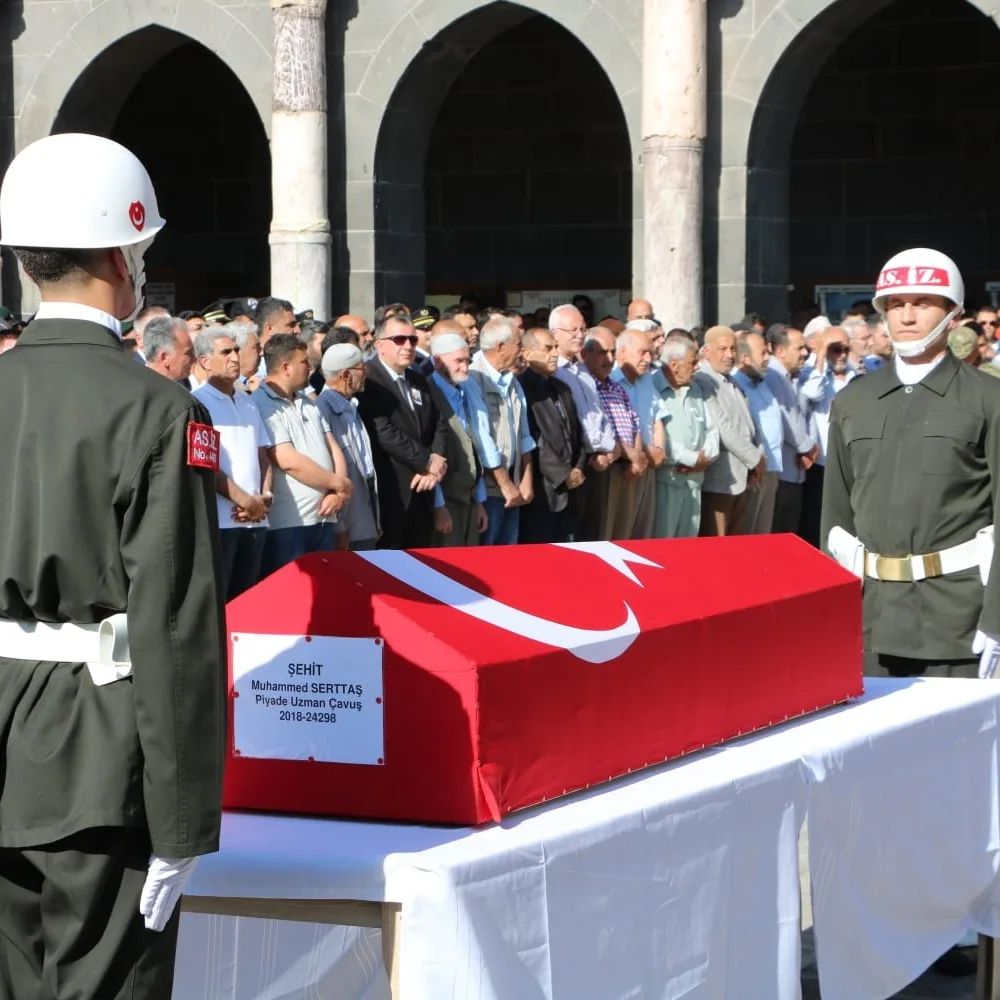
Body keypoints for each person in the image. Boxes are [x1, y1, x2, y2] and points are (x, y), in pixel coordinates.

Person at [0, 132, 225, 998]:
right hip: (98, 761)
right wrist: (182, 820)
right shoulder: (160, 411)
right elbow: (175, 624)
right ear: (122, 254)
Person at [822, 248, 1000, 977]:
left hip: (959, 618)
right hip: (874, 621)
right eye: (894, 304)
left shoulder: (988, 401)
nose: (905, 316)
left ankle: (957, 925)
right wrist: (832, 623)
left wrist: (997, 621)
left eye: (922, 304)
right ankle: (888, 929)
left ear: (951, 314)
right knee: (877, 786)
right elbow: (834, 524)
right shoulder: (853, 403)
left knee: (956, 787)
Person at [251, 334, 353, 575]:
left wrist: (338, 493)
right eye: (304, 362)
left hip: (325, 518)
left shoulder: (309, 402)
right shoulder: (260, 404)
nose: (310, 367)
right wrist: (340, 484)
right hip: (289, 524)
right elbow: (287, 460)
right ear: (286, 367)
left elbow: (333, 446)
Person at [356, 314, 448, 549]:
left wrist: (436, 461)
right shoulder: (369, 378)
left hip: (424, 490)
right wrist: (426, 461)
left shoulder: (418, 379)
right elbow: (382, 431)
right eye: (399, 339)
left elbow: (438, 423)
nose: (407, 346)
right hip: (392, 492)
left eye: (412, 340)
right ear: (379, 344)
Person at [192, 329, 272, 598]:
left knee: (249, 602)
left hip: (256, 520)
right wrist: (245, 501)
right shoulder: (198, 403)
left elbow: (263, 453)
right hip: (223, 522)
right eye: (225, 352)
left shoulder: (248, 402)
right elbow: (206, 464)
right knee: (221, 603)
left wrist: (265, 495)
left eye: (236, 350)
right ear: (205, 362)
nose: (235, 357)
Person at [468, 318, 536, 545]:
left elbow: (524, 435)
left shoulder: (513, 381)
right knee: (487, 557)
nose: (522, 350)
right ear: (500, 347)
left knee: (509, 558)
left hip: (513, 488)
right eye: (518, 344)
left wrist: (526, 479)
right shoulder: (473, 378)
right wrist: (504, 484)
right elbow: (481, 438)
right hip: (489, 490)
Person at [693, 326, 764, 536]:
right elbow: (723, 428)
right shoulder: (703, 380)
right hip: (721, 479)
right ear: (706, 351)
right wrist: (754, 458)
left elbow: (748, 424)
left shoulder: (731, 380)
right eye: (722, 349)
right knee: (717, 545)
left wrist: (756, 457)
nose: (729, 355)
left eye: (733, 349)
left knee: (737, 545)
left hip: (742, 475)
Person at [518, 328, 586, 542]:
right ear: (527, 354)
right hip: (543, 490)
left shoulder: (561, 388)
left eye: (556, 347)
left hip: (572, 487)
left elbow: (577, 432)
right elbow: (533, 438)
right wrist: (562, 474)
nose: (555, 353)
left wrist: (579, 467)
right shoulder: (522, 387)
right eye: (548, 348)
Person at [426, 332, 495, 546]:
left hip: (469, 500)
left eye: (467, 360)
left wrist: (480, 501)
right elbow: (431, 455)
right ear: (437, 361)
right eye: (458, 361)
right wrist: (439, 506)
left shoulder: (463, 390)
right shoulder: (429, 393)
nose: (465, 367)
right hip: (447, 501)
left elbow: (472, 446)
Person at [651, 334, 719, 538]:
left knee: (688, 546)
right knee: (663, 545)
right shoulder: (653, 388)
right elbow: (655, 436)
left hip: (695, 481)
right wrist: (688, 458)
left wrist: (704, 458)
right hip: (668, 482)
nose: (697, 367)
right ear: (674, 365)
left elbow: (712, 428)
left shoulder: (695, 388)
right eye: (693, 362)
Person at [316, 343, 381, 550]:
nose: (366, 374)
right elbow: (327, 472)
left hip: (364, 511)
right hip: (347, 519)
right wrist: (339, 526)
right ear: (346, 375)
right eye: (361, 369)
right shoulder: (322, 410)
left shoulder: (350, 405)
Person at [798, 327, 856, 546]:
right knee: (818, 519)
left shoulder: (855, 375)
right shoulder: (813, 373)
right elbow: (812, 393)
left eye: (845, 349)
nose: (841, 354)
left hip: (851, 458)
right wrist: (821, 354)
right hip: (822, 460)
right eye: (835, 349)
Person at [763, 324, 817, 534]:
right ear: (780, 351)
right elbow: (783, 418)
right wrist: (806, 446)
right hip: (782, 470)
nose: (805, 353)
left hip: (793, 470)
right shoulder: (772, 377)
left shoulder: (788, 377)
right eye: (800, 348)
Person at [731, 332, 783, 534]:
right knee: (749, 532)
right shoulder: (736, 386)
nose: (767, 357)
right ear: (745, 358)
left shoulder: (763, 381)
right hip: (753, 470)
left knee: (764, 532)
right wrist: (753, 464)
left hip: (771, 467)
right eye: (762, 352)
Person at [143, 314, 196, 383]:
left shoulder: (184, 385)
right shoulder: (139, 390)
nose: (194, 359)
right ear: (165, 358)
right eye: (188, 353)